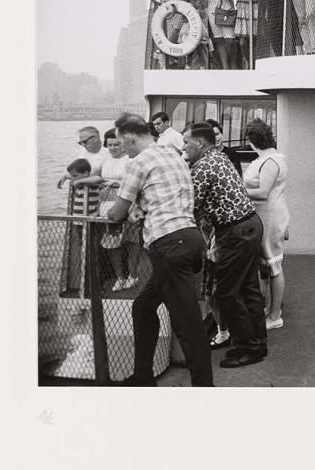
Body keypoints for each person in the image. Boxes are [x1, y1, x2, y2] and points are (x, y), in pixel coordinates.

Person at [106, 114, 212, 386]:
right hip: (188, 237)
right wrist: (138, 208)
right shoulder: (173, 154)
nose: (122, 149)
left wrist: (116, 211)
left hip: (168, 243)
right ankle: (143, 377)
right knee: (143, 307)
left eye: (121, 143)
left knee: (187, 323)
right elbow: (161, 196)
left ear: (130, 139)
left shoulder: (137, 162)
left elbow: (118, 212)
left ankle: (205, 388)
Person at [182, 123, 268, 369]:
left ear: (199, 143)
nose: (183, 147)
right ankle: (257, 343)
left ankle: (247, 348)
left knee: (226, 293)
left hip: (234, 233)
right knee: (249, 289)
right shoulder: (220, 157)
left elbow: (190, 205)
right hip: (250, 224)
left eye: (186, 142)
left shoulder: (202, 167)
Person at [241, 118, 290, 330]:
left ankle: (275, 314)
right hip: (266, 215)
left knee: (273, 266)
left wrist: (236, 190)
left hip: (268, 216)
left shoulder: (270, 161)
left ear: (252, 140)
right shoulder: (270, 158)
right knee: (266, 267)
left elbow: (262, 193)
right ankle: (269, 308)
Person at [97, 128, 142, 291]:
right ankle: (119, 277)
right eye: (110, 145)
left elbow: (136, 181)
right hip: (107, 203)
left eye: (117, 144)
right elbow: (95, 175)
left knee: (132, 241)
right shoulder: (104, 159)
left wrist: (115, 183)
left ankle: (133, 275)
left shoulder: (130, 160)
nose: (114, 148)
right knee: (112, 243)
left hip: (128, 202)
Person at [203, 0, 237, 70]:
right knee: (219, 40)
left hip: (226, 10)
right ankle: (225, 66)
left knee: (230, 40)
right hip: (212, 11)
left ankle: (234, 63)